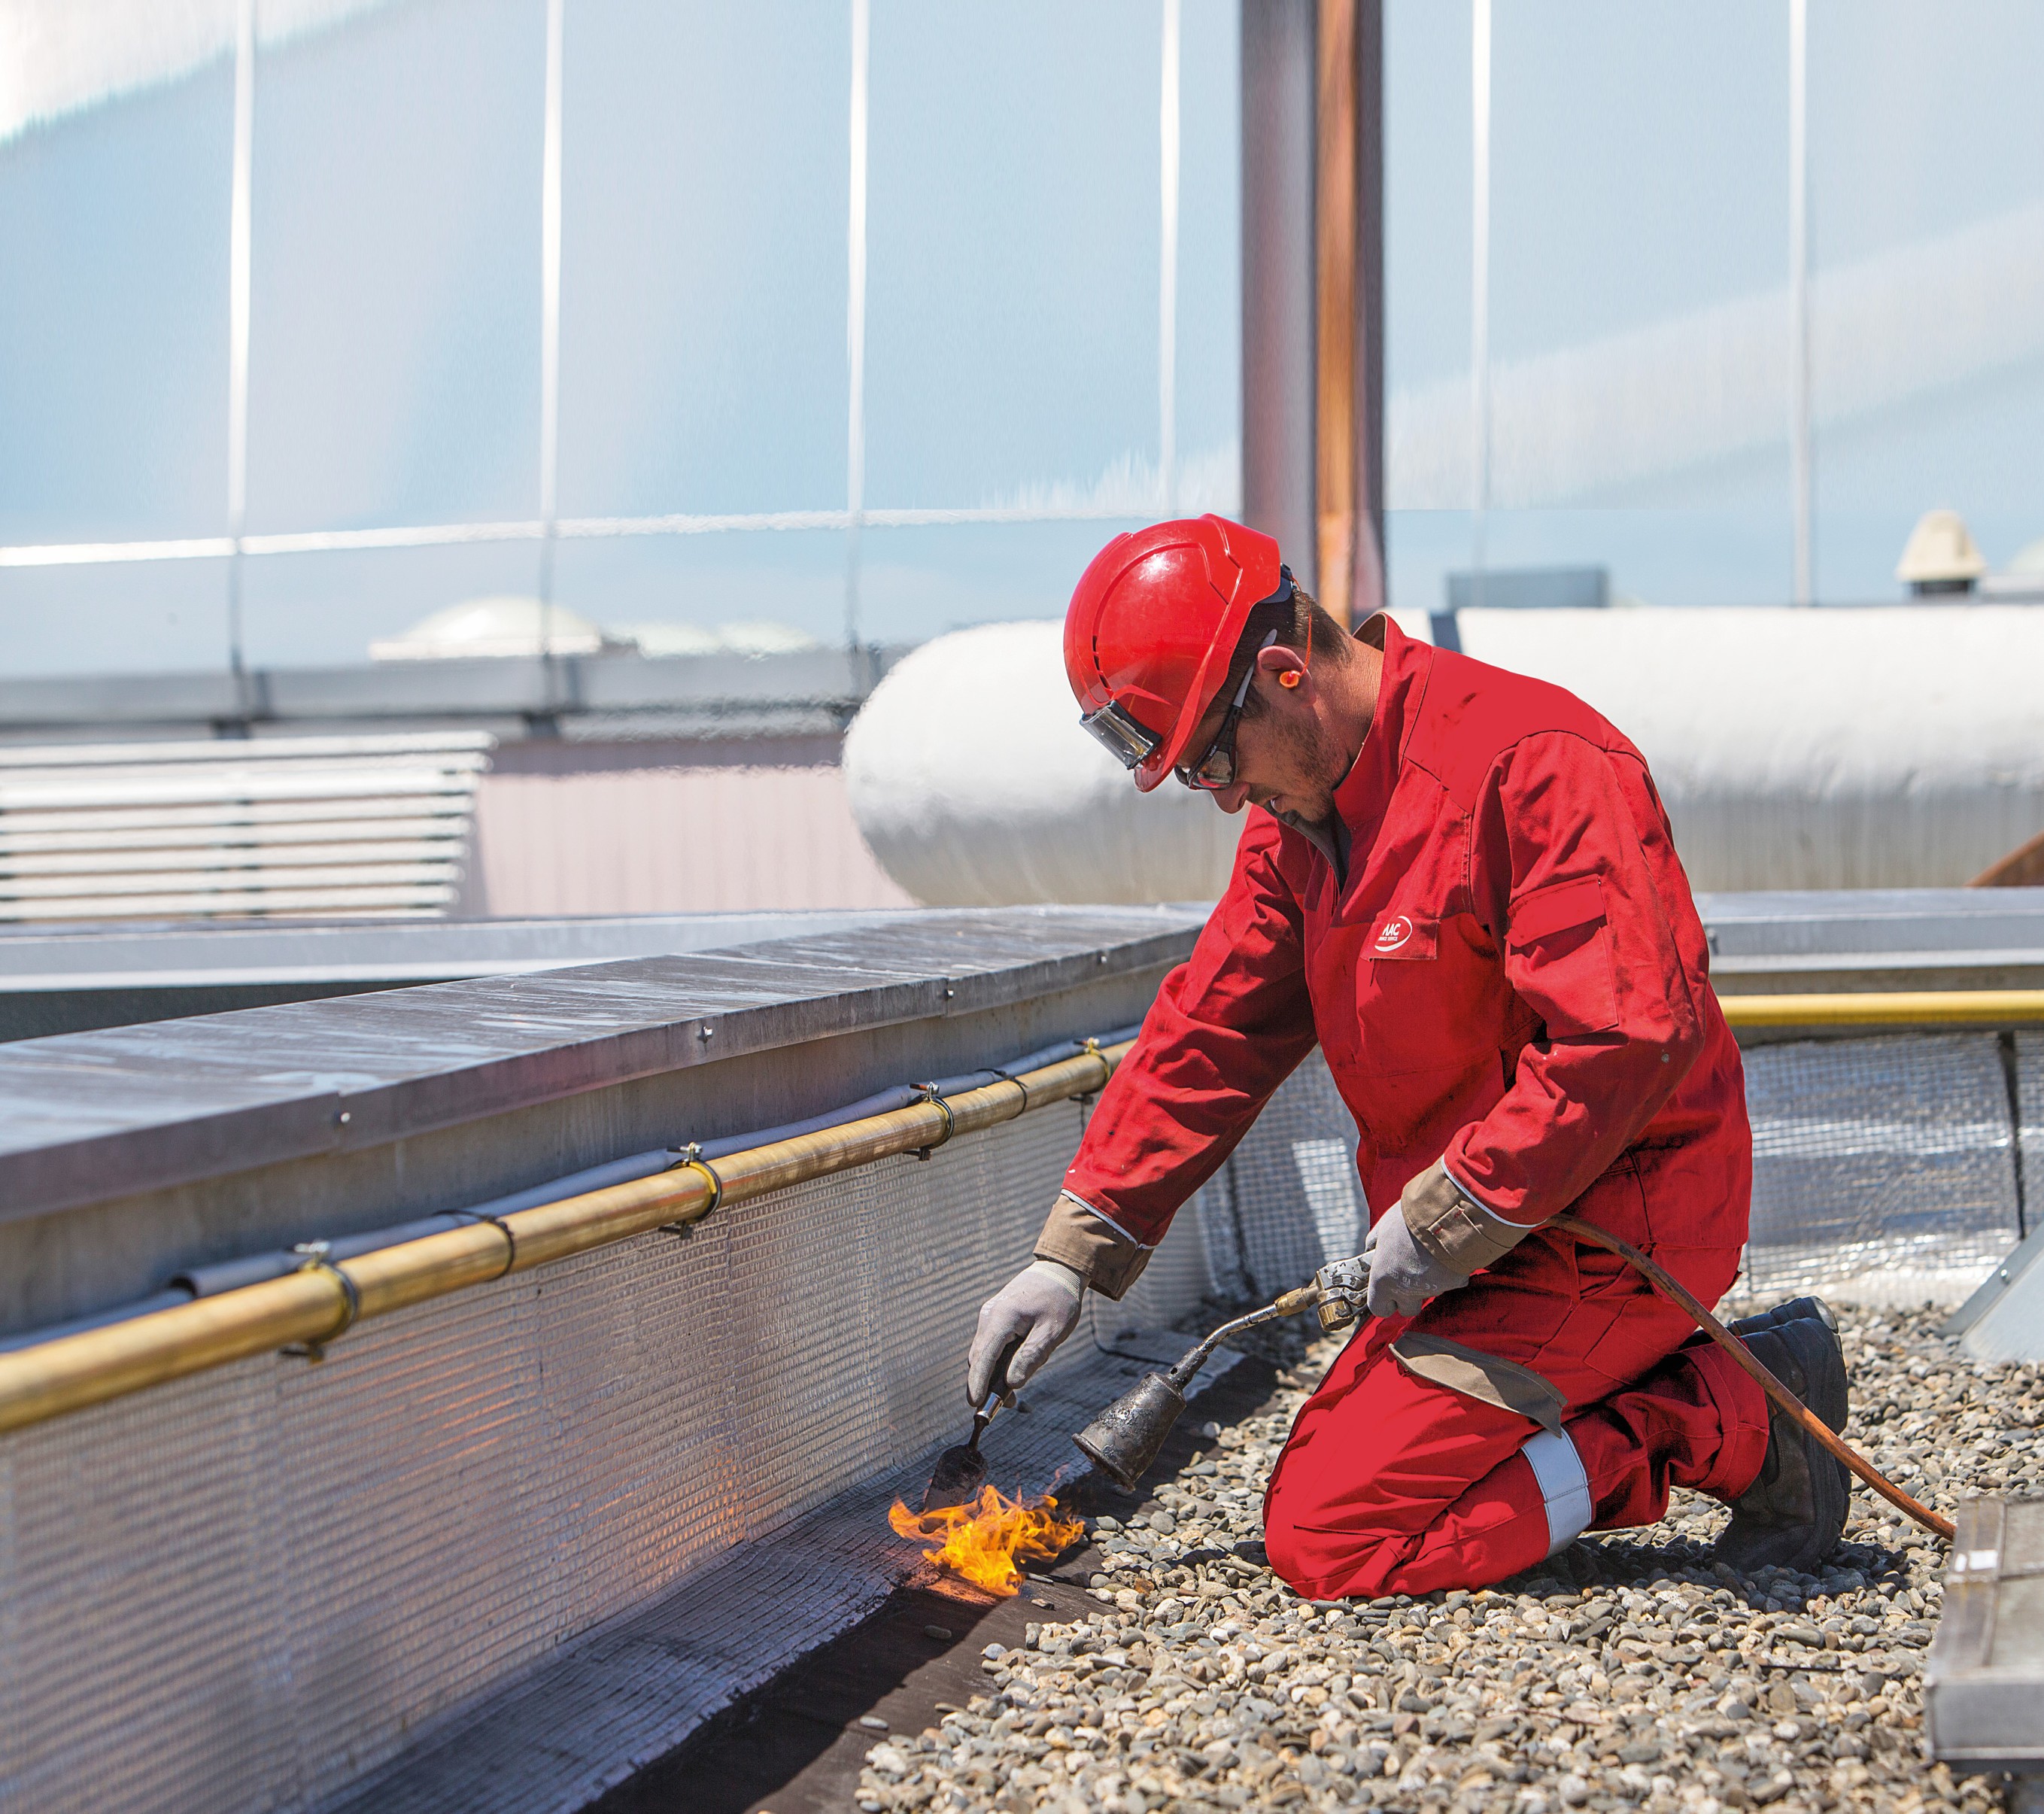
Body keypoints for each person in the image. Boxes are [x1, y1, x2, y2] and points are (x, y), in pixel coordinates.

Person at [966, 514, 1850, 1598]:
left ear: (1284, 673)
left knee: (1337, 1540)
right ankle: (1690, 1384)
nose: (1224, 798)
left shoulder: (1531, 764)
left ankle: (1726, 1421)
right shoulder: (1300, 826)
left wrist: (1449, 1215)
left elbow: (1622, 1035)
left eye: (1208, 759)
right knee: (1341, 1482)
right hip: (1484, 1244)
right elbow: (1216, 1030)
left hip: (1607, 1230)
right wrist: (1075, 1253)